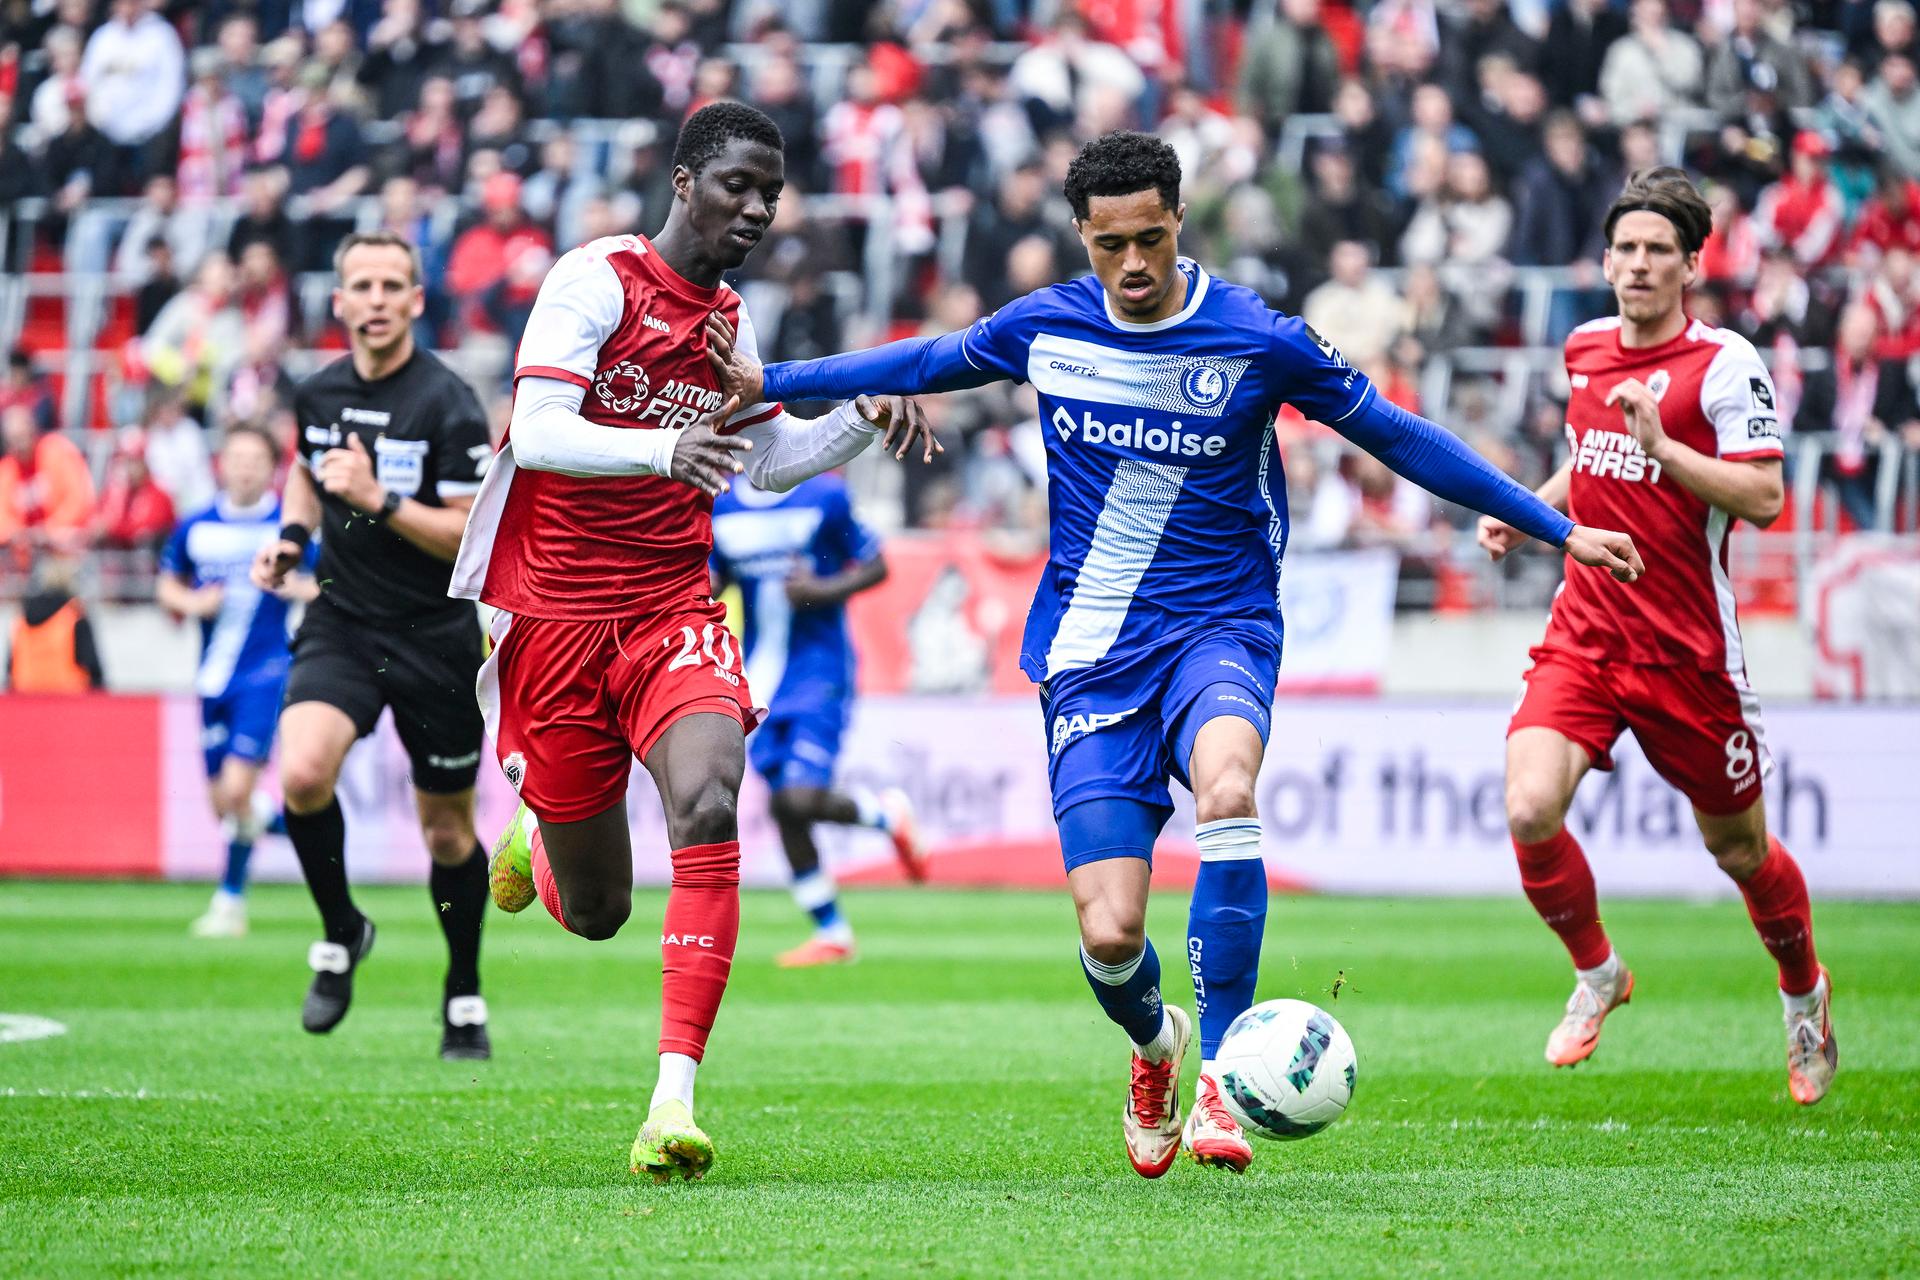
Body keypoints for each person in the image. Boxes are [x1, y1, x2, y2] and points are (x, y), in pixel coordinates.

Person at [705, 131, 1641, 1179]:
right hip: (1092, 652)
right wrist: (768, 379)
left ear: (1180, 220)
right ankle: (1158, 1045)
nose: (1136, 264)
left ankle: (1225, 1079)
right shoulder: (1047, 326)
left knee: (1229, 785)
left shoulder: (1258, 336)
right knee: (1109, 931)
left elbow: (1404, 438)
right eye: (1114, 245)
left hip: (1220, 626)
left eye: (1153, 237)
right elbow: (923, 360)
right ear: (1084, 237)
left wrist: (1559, 528)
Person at [458, 102, 936, 1183]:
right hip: (555, 620)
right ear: (684, 182)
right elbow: (534, 431)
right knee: (598, 913)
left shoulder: (731, 320)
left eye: (771, 192)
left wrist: (861, 415)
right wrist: (664, 444)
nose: (759, 208)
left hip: (675, 604)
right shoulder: (595, 280)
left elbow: (762, 461)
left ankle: (672, 1098)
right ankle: (539, 827)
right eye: (738, 186)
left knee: (713, 797)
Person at [1476, 168, 1836, 1104]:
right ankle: (1598, 973)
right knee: (1527, 809)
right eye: (1625, 249)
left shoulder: (1723, 365)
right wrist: (1532, 510)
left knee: (1742, 854)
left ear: (1690, 266)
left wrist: (1667, 449)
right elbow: (1589, 458)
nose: (1637, 265)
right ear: (1605, 260)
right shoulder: (1586, 346)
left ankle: (1804, 995)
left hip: (1688, 656)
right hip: (1586, 637)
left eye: (1656, 252)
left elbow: (1764, 496)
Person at [250, 231, 495, 1061]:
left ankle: (462, 994)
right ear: (341, 301)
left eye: (396, 284)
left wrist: (379, 499)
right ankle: (341, 929)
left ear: (417, 300)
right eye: (365, 284)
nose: (380, 298)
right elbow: (306, 472)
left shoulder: (449, 402)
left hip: (436, 637)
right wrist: (290, 534)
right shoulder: (317, 393)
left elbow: (469, 535)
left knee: (449, 838)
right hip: (345, 621)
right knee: (302, 772)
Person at [709, 473, 925, 968]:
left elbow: (876, 566)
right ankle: (832, 932)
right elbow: (713, 576)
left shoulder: (823, 494)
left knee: (798, 797)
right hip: (757, 674)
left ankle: (886, 814)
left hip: (819, 671)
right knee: (786, 807)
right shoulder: (721, 502)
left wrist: (822, 589)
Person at [159, 425, 312, 938]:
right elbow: (168, 582)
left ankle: (230, 901)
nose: (244, 467)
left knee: (237, 789)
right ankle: (301, 826)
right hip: (211, 678)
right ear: (221, 463)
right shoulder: (197, 526)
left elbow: (323, 584)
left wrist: (296, 587)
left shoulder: (286, 525)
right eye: (236, 457)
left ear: (272, 468)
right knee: (226, 805)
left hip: (266, 672)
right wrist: (192, 603)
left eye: (255, 459)